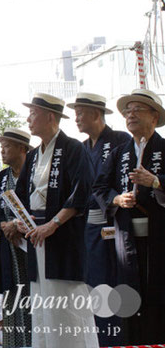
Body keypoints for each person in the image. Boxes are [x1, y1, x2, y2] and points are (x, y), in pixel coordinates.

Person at [15, 93, 98, 348]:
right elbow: (21, 196)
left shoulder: (73, 148)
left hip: (61, 236)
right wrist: (20, 220)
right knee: (41, 305)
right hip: (36, 237)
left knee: (66, 305)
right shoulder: (31, 156)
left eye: (33, 113)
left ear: (50, 116)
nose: (28, 119)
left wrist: (53, 224)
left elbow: (82, 190)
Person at [93, 89, 165, 344]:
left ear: (154, 118)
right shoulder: (119, 152)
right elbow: (100, 188)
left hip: (159, 236)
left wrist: (156, 181)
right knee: (129, 295)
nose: (130, 115)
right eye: (127, 110)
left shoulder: (163, 148)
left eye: (137, 110)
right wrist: (117, 199)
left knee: (158, 295)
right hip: (126, 237)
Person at [66, 92, 130, 346]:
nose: (77, 118)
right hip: (87, 226)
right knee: (91, 282)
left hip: (114, 222)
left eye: (80, 113)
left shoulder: (119, 141)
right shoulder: (81, 148)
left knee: (112, 280)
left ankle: (116, 337)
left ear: (95, 114)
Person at [0, 128, 32, 348]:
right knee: (11, 298)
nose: (2, 151)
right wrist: (5, 225)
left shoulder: (35, 175)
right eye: (1, 146)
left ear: (21, 148)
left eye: (7, 146)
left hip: (32, 244)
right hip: (8, 247)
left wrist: (19, 225)